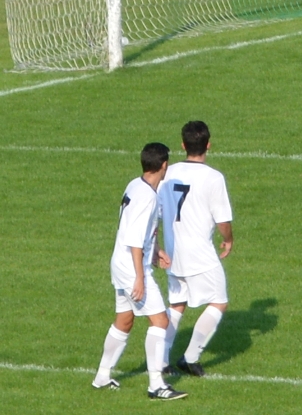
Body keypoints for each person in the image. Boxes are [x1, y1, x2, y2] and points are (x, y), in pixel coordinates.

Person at [92, 142, 187, 400]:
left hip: (120, 263)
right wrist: (140, 277)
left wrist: (156, 251)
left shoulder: (136, 185)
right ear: (164, 165)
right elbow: (134, 240)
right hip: (132, 268)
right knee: (160, 320)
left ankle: (102, 376)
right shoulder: (147, 197)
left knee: (124, 319)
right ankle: (156, 385)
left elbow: (141, 231)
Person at [158, 121, 233, 377]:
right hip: (199, 254)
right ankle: (190, 357)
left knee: (177, 304)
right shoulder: (213, 177)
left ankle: (159, 360)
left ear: (183, 145)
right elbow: (223, 219)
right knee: (219, 300)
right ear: (208, 145)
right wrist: (228, 239)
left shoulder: (168, 173)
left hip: (172, 252)